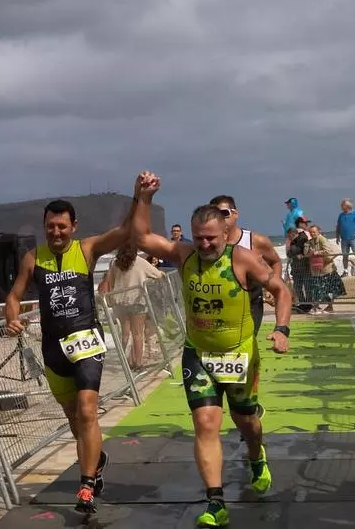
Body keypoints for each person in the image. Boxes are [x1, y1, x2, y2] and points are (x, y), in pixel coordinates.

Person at [132, 171, 293, 529]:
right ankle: (216, 501)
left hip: (239, 354)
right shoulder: (184, 255)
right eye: (199, 238)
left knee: (246, 421)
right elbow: (141, 237)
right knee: (206, 423)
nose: (204, 245)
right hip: (199, 354)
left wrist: (281, 329)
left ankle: (256, 455)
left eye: (211, 238)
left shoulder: (242, 259)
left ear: (225, 233)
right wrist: (144, 198)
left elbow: (282, 290)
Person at [3, 197, 136, 516]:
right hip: (53, 347)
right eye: (50, 226)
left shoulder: (87, 249)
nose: (56, 232)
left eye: (62, 226)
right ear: (44, 226)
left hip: (86, 340)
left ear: (74, 226)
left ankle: (86, 485)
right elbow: (14, 295)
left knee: (87, 411)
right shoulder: (33, 258)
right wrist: (11, 318)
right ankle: (96, 458)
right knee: (74, 417)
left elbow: (126, 231)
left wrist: (140, 196)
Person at [210, 195, 284, 336]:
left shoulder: (255, 241)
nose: (220, 218)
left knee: (246, 341)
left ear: (235, 214)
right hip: (219, 303)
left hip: (251, 302)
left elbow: (275, 261)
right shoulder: (208, 244)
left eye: (224, 213)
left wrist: (272, 287)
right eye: (214, 214)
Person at [99, 243, 164, 370]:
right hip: (137, 300)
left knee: (125, 333)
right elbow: (157, 274)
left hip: (120, 301)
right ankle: (138, 363)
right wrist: (162, 274)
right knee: (138, 334)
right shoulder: (139, 261)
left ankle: (127, 361)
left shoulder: (115, 263)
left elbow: (112, 282)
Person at [335, 199, 355, 276]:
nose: (341, 206)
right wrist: (337, 236)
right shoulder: (341, 215)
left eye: (342, 204)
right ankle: (345, 271)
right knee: (345, 255)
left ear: (347, 206)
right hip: (344, 239)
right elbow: (338, 226)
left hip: (354, 238)